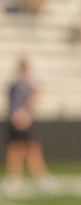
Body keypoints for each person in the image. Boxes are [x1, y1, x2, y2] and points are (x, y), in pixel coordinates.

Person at [3, 59, 55, 194]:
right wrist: (18, 115)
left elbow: (35, 98)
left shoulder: (28, 85)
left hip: (27, 121)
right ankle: (14, 178)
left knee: (32, 148)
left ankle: (40, 177)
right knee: (16, 149)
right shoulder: (16, 86)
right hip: (18, 121)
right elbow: (13, 104)